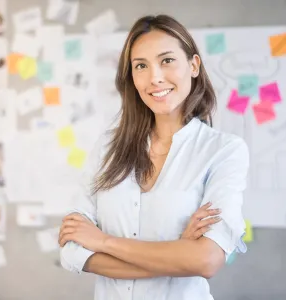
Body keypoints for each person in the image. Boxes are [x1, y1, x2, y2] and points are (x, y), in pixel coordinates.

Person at [58, 15, 250, 299]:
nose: (155, 77)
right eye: (141, 66)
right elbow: (72, 251)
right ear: (132, 77)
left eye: (167, 60)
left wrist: (102, 241)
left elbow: (206, 260)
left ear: (193, 65)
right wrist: (177, 253)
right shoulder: (108, 147)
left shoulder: (223, 151)